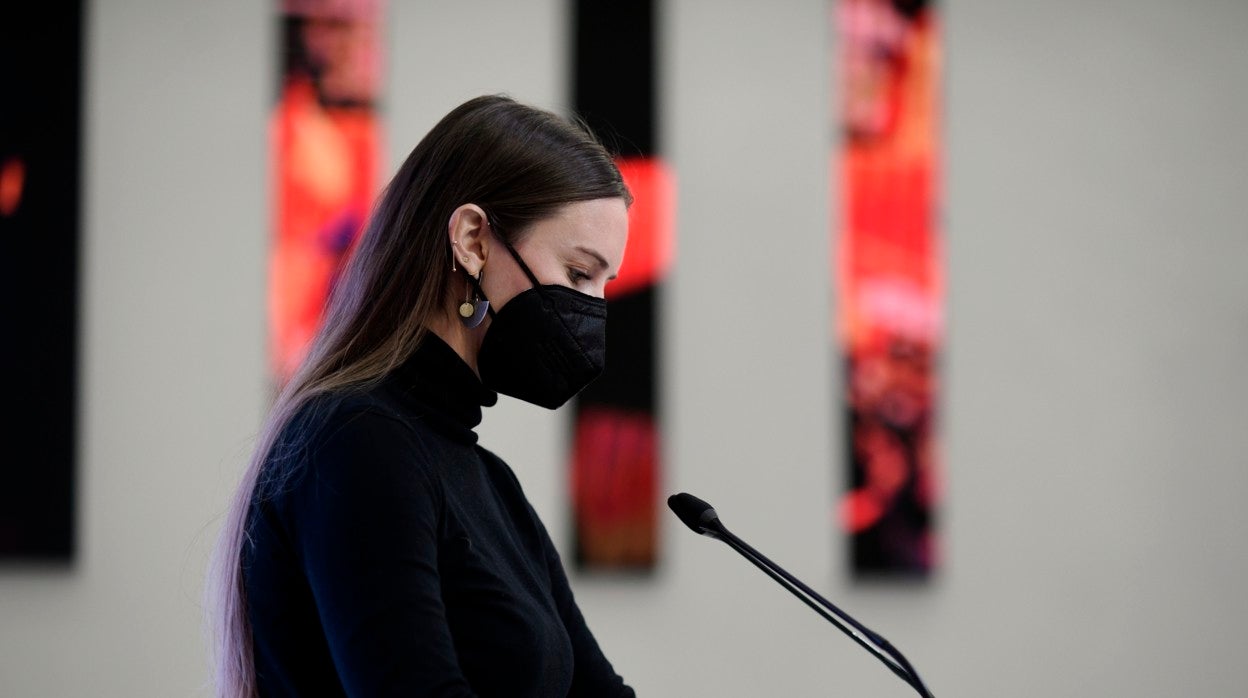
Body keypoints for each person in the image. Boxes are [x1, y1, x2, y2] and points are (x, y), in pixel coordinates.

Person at [207, 95, 636, 697]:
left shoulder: (491, 485)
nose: (590, 310)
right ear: (472, 240)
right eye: (577, 273)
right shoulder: (357, 442)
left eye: (603, 285)